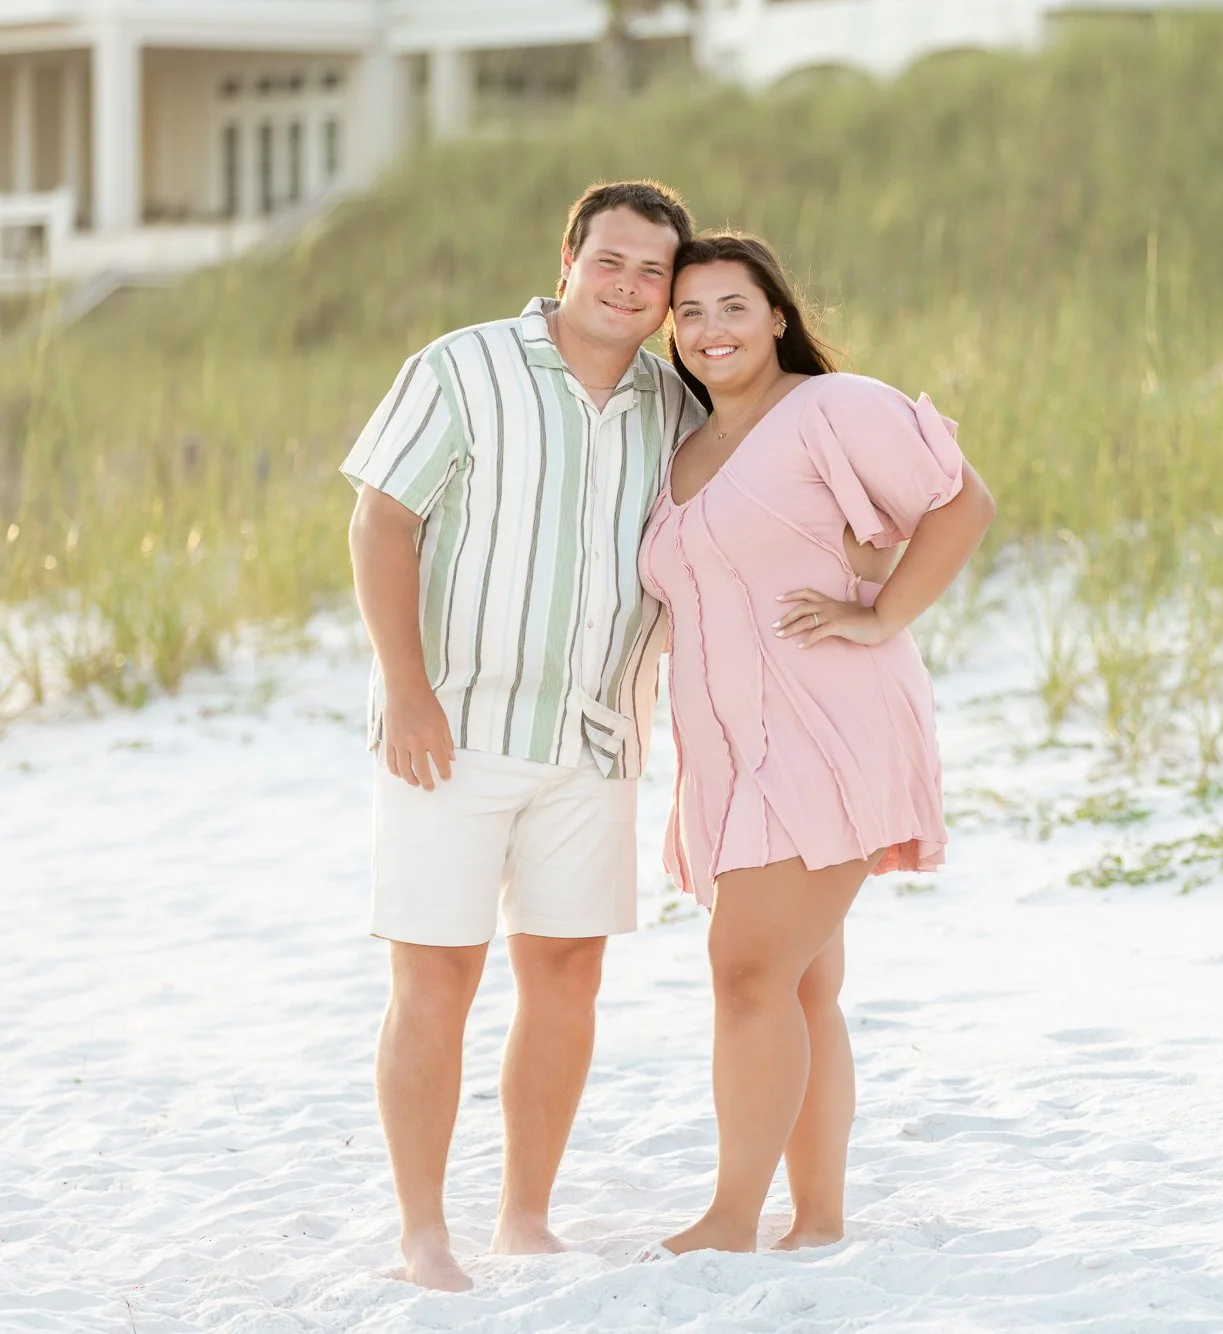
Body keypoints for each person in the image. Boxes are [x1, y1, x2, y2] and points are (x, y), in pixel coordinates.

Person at [341, 180, 704, 1291]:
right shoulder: (462, 366)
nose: (630, 285)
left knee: (565, 978)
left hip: (595, 741)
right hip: (449, 732)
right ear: (567, 257)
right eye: (612, 261)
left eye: (652, 272)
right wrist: (406, 690)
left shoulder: (676, 405)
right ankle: (421, 1231)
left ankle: (525, 1216)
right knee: (436, 980)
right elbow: (382, 521)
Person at [639, 232, 996, 1255]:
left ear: (778, 315)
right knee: (797, 982)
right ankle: (819, 1218)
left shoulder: (829, 407)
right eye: (691, 312)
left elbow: (962, 502)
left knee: (744, 969)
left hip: (826, 726)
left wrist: (882, 615)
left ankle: (729, 1216)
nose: (711, 330)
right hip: (730, 748)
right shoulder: (686, 447)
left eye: (733, 307)